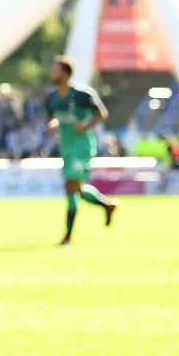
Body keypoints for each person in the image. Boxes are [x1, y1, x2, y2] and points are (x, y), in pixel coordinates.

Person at [45, 56, 117, 246]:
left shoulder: (83, 94)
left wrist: (86, 124)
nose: (52, 73)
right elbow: (52, 118)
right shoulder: (52, 98)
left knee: (71, 186)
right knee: (75, 189)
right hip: (66, 148)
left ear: (65, 73)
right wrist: (52, 125)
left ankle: (68, 236)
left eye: (55, 70)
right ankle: (106, 205)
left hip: (82, 147)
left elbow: (102, 113)